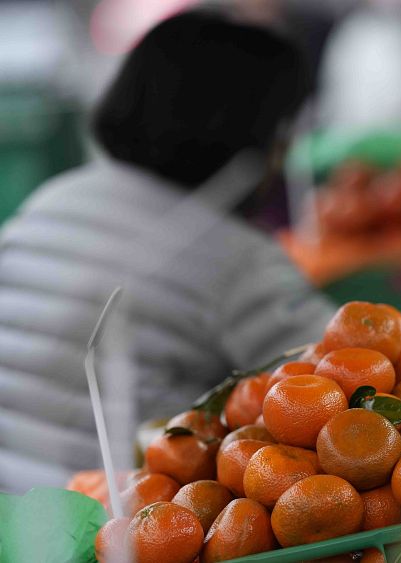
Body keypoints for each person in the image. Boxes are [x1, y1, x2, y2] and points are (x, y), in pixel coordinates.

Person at [0, 10, 335, 493]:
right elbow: (342, 376)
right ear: (255, 136)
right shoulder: (235, 258)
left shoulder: (53, 197)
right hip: (108, 521)